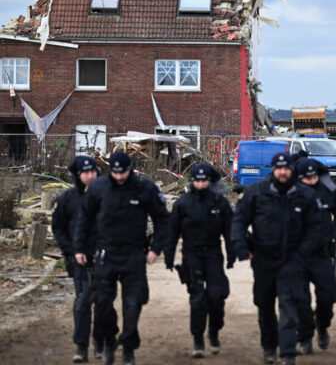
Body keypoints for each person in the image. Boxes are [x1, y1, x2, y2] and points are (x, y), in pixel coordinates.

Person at [74, 152, 170, 365]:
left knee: (133, 303)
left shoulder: (145, 188)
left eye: (123, 173)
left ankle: (128, 348)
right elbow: (84, 219)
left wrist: (156, 249)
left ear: (130, 169)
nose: (119, 177)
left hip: (134, 254)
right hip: (105, 254)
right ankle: (109, 341)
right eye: (115, 173)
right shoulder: (99, 188)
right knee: (103, 304)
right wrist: (80, 248)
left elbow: (163, 220)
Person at [231, 153, 320, 365]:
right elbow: (239, 221)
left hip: (292, 260)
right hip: (263, 259)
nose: (283, 172)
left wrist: (302, 253)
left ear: (292, 170)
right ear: (273, 169)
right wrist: (242, 247)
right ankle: (269, 347)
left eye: (287, 168)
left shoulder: (304, 195)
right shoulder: (255, 193)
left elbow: (315, 228)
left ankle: (288, 354)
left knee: (289, 306)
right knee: (264, 305)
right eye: (279, 168)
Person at [165, 164, 234, 358]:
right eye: (198, 181)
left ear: (209, 182)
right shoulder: (183, 203)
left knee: (216, 296)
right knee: (197, 299)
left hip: (213, 254)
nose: (201, 184)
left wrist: (232, 253)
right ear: (192, 182)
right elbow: (172, 232)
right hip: (191, 255)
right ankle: (198, 339)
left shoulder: (219, 202)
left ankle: (214, 331)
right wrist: (169, 257)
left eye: (204, 181)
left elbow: (230, 230)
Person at [294, 159, 336, 355]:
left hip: (322, 253)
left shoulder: (328, 189)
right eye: (306, 179)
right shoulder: (290, 192)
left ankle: (322, 325)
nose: (311, 181)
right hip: (298, 255)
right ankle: (304, 337)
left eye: (314, 177)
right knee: (300, 300)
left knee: (328, 296)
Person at [52, 155, 102, 363]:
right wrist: (70, 251)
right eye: (85, 173)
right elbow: (58, 228)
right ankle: (81, 347)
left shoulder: (106, 196)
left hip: (103, 258)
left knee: (102, 302)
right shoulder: (67, 199)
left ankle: (100, 343)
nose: (90, 176)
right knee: (83, 300)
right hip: (79, 259)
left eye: (93, 172)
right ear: (77, 175)